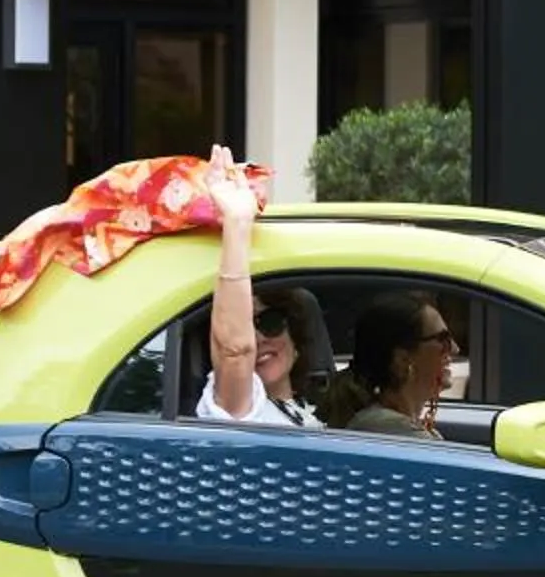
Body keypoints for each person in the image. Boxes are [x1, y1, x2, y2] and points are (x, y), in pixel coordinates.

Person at [193, 145, 325, 428]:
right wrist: (237, 223)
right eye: (245, 324)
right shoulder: (240, 408)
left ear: (296, 337)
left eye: (270, 321)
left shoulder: (305, 412)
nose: (257, 338)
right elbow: (235, 352)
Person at [322, 289, 462, 438]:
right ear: (402, 359)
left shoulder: (392, 426)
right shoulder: (391, 429)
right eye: (442, 339)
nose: (455, 349)